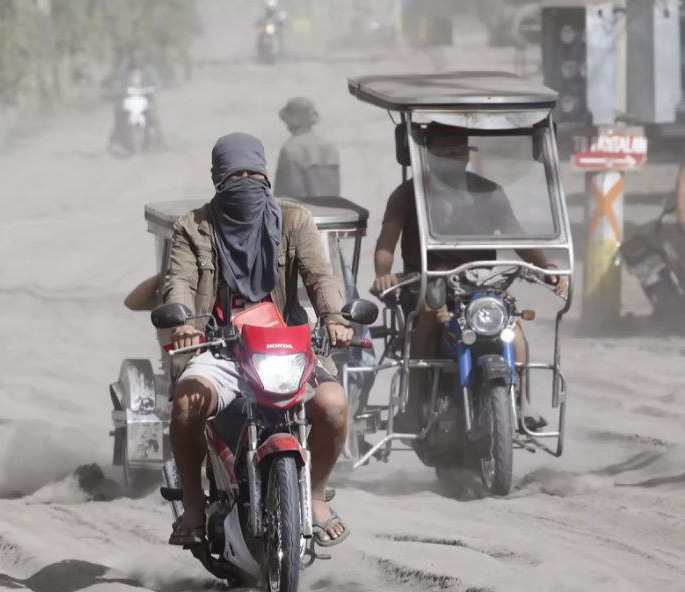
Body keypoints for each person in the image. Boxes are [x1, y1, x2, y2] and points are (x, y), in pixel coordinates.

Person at [163, 132, 353, 547]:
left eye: (253, 173)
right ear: (217, 179)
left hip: (284, 346)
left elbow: (320, 276)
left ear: (266, 175)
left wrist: (333, 317)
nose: (245, 182)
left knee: (334, 406)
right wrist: (185, 323)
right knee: (185, 404)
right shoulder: (192, 228)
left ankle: (316, 497)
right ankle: (194, 507)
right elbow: (179, 280)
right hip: (221, 348)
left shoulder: (294, 220)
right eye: (235, 175)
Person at [371, 123, 569, 430]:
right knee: (428, 316)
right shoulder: (408, 194)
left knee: (512, 329)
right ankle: (415, 403)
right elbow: (387, 242)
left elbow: (517, 238)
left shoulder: (489, 191)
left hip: (481, 284)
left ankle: (521, 403)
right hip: (427, 282)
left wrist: (547, 268)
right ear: (428, 154)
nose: (454, 158)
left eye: (459, 151)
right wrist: (383, 274)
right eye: (445, 152)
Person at [274, 97, 341, 199]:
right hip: (330, 211)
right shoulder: (328, 146)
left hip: (301, 211)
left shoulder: (290, 149)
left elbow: (284, 193)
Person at [108, 46, 164, 151]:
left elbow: (157, 82)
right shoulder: (123, 70)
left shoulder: (149, 69)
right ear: (130, 58)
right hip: (128, 100)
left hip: (145, 100)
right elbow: (116, 83)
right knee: (119, 115)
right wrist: (117, 90)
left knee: (153, 117)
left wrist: (155, 87)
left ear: (143, 59)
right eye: (134, 58)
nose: (137, 61)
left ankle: (162, 141)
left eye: (139, 58)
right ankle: (117, 140)